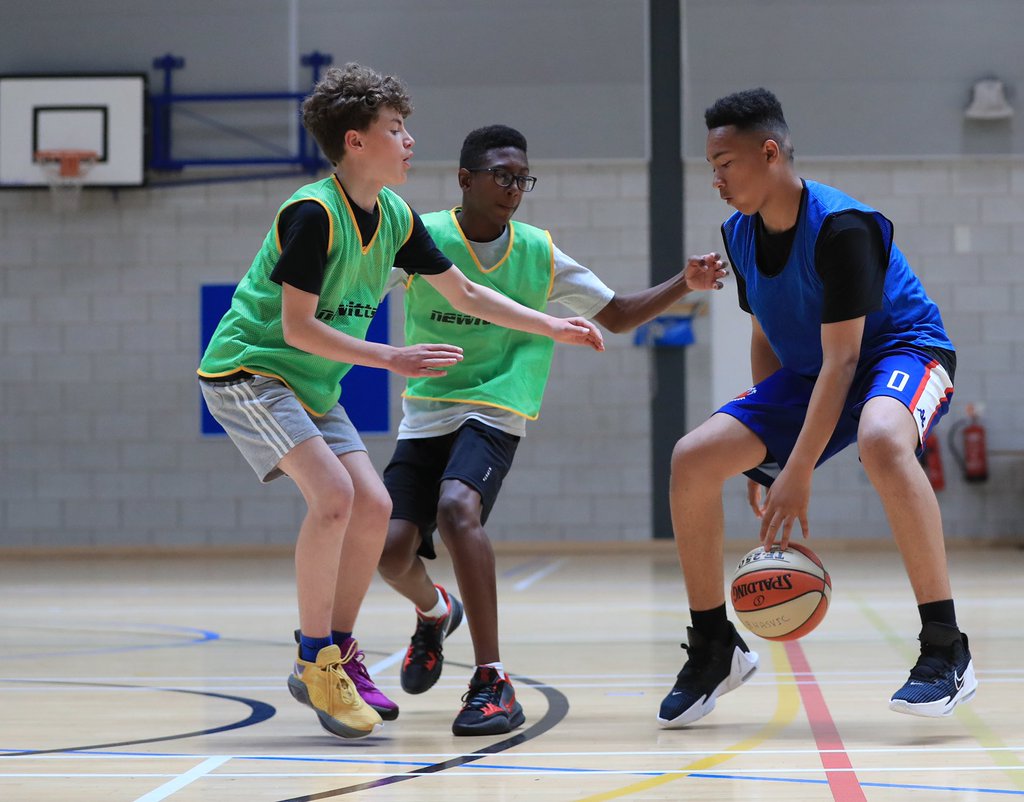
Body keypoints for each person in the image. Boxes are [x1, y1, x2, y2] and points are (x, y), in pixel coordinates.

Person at [197, 66, 603, 740]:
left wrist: (549, 323)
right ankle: (313, 656)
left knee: (377, 508)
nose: (411, 140)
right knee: (332, 497)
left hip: (311, 385)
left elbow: (466, 293)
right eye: (397, 129)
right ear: (356, 142)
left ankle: (342, 651)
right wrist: (391, 357)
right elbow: (297, 328)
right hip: (251, 372)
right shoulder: (312, 214)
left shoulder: (393, 217)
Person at [376, 124, 726, 736]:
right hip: (426, 411)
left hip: (495, 408)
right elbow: (356, 292)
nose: (515, 188)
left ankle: (492, 680)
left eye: (522, 178)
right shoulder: (421, 237)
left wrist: (684, 283)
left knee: (459, 510)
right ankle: (434, 613)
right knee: (389, 551)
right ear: (465, 179)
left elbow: (615, 315)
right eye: (503, 176)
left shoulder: (539, 252)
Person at [657, 88, 976, 728]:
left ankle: (946, 648)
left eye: (725, 163)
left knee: (883, 439)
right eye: (711, 166)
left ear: (769, 152)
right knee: (692, 459)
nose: (715, 178)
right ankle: (715, 645)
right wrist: (764, 462)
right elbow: (765, 334)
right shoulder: (738, 234)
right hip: (816, 368)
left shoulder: (841, 228)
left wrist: (796, 471)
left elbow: (845, 362)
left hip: (900, 353)